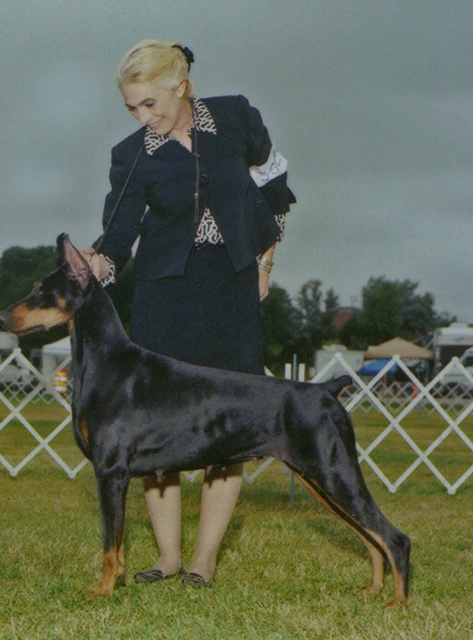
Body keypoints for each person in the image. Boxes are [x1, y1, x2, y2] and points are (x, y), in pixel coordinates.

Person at [84, 39, 295, 588]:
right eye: (131, 108)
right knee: (158, 428)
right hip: (163, 295)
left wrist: (265, 261)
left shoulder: (234, 117)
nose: (142, 118)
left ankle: (204, 560)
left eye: (149, 104)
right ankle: (168, 557)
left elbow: (273, 184)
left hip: (231, 288)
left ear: (181, 87)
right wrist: (96, 266)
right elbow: (117, 234)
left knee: (231, 423)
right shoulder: (131, 154)